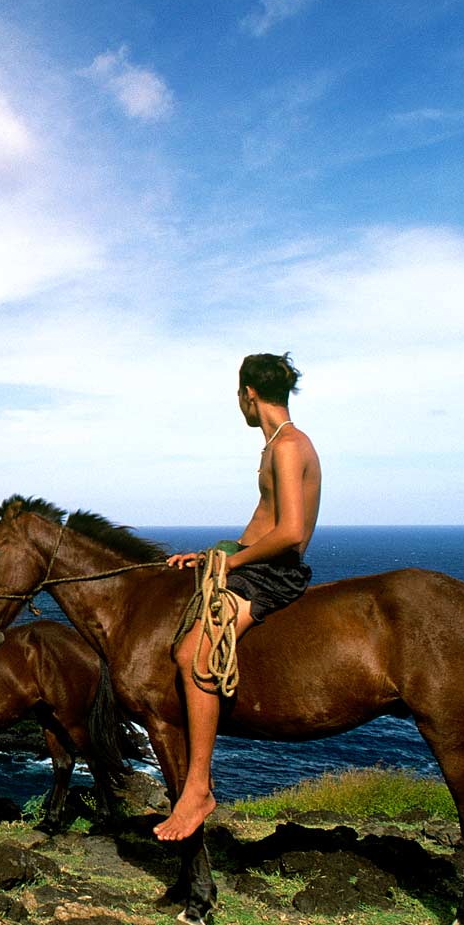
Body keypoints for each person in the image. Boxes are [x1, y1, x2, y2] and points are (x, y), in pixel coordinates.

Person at [155, 353, 322, 842]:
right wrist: (217, 554)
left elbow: (290, 533)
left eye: (238, 395)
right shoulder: (276, 444)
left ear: (249, 394)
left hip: (274, 574)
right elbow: (263, 520)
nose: (239, 404)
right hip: (256, 562)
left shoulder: (288, 447)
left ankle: (199, 789)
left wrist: (233, 564)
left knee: (194, 653)